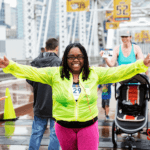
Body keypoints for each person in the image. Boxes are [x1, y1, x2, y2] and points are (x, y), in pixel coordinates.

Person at [0, 43, 150, 150]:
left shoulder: (94, 74)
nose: (75, 59)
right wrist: (10, 66)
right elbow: (32, 72)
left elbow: (119, 72)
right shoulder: (55, 74)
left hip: (88, 127)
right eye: (71, 56)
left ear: (85, 58)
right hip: (63, 128)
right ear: (65, 59)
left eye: (79, 56)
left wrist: (141, 64)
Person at [27, 38, 61, 150]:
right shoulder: (60, 63)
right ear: (57, 48)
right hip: (56, 105)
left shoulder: (35, 62)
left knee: (36, 133)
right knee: (55, 134)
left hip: (39, 103)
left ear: (45, 48)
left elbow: (29, 79)